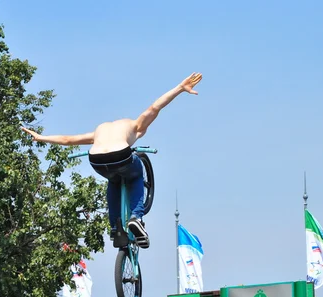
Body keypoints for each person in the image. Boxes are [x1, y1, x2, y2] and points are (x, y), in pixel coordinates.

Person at [21, 72, 203, 249]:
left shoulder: (100, 130)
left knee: (113, 181)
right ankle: (136, 218)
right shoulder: (135, 125)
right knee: (136, 175)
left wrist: (41, 137)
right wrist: (180, 88)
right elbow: (155, 107)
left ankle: (115, 227)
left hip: (97, 160)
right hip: (121, 156)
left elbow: (68, 140)